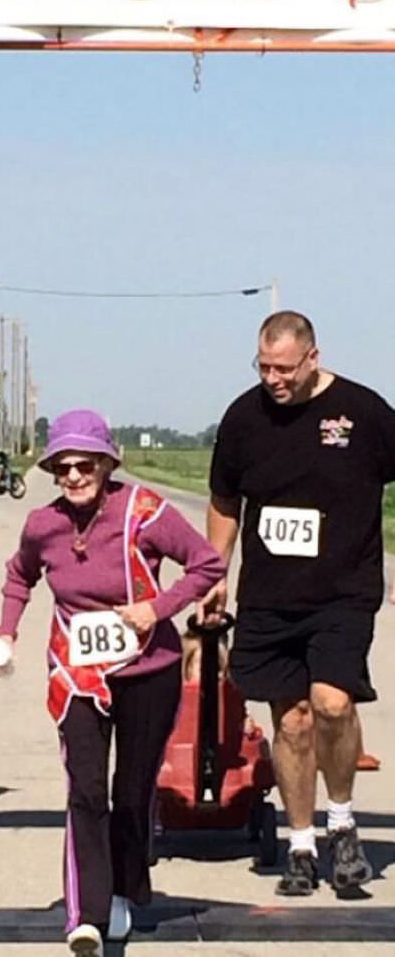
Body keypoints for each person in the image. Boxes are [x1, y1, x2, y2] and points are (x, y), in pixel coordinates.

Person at [0, 409, 225, 956]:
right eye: (63, 466)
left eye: (84, 464)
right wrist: (6, 632)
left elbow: (206, 565)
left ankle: (123, 887)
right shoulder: (43, 526)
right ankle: (86, 914)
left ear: (106, 462)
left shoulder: (144, 512)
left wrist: (158, 607)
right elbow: (19, 576)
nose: (73, 475)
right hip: (77, 675)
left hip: (149, 670)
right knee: (87, 790)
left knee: (132, 792)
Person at [198, 310, 395, 896]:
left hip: (343, 592)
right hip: (270, 595)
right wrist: (216, 572)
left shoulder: (364, 414)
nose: (273, 379)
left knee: (333, 704)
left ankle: (342, 822)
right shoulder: (244, 417)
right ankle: (303, 843)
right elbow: (224, 498)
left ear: (313, 357)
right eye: (263, 367)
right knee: (293, 720)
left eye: (284, 368)